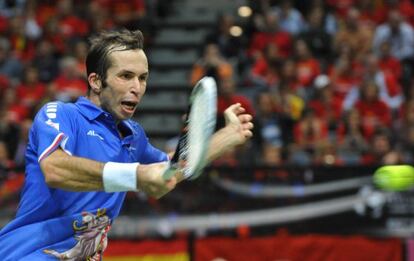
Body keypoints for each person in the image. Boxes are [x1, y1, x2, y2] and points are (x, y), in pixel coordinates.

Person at [0, 29, 254, 260]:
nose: (137, 87)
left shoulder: (133, 135)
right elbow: (55, 170)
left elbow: (168, 174)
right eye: (126, 76)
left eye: (143, 78)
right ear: (96, 81)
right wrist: (136, 175)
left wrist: (228, 136)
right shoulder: (60, 114)